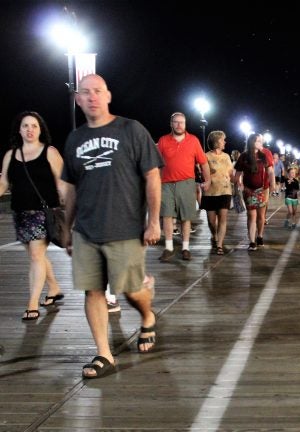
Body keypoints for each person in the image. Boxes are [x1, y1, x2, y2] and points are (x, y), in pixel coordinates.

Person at [60, 74, 162, 378]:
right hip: (87, 231)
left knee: (131, 290)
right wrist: (67, 228)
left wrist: (153, 221)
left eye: (97, 91)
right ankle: (104, 355)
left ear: (108, 96)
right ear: (78, 99)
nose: (92, 97)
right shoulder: (74, 139)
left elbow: (152, 176)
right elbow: (72, 189)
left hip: (126, 229)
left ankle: (147, 316)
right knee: (93, 291)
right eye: (85, 93)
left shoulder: (131, 129)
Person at [0, 111, 65, 320]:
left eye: (34, 126)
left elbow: (62, 182)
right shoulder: (11, 155)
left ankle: (32, 304)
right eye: (25, 126)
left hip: (43, 213)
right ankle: (54, 288)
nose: (29, 130)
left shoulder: (50, 152)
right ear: (19, 130)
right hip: (20, 212)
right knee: (35, 256)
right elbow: (3, 183)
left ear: (40, 129)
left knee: (36, 256)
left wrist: (72, 208)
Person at [156, 112, 211, 262]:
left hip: (186, 183)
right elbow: (157, 164)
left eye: (182, 122)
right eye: (176, 122)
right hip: (166, 183)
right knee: (167, 215)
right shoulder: (163, 140)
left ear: (185, 124)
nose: (179, 125)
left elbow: (203, 162)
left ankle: (185, 248)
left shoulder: (193, 140)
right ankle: (169, 248)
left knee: (186, 217)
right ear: (171, 123)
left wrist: (208, 180)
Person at [234, 133, 276, 250]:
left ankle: (260, 236)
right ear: (252, 142)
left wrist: (273, 183)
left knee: (261, 216)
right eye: (258, 141)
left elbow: (271, 171)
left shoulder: (263, 156)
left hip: (261, 190)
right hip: (248, 190)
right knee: (251, 215)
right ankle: (252, 241)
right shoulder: (244, 156)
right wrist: (239, 185)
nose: (261, 143)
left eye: (261, 141)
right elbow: (237, 174)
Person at [202, 130, 233, 255]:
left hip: (225, 190)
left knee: (222, 218)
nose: (224, 142)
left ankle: (219, 245)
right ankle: (214, 235)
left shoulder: (226, 156)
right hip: (210, 192)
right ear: (216, 141)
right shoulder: (206, 156)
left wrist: (230, 176)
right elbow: (202, 171)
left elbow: (230, 171)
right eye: (222, 139)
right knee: (211, 221)